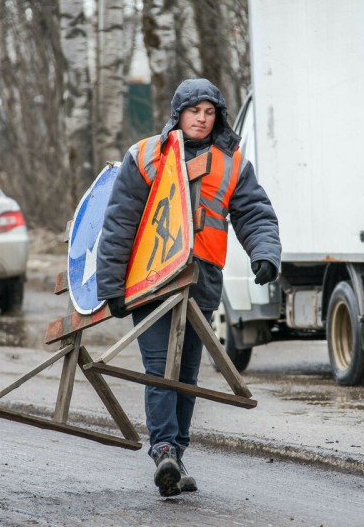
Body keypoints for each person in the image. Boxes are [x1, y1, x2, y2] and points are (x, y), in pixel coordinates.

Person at [97, 78, 281, 497]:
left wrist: (264, 253)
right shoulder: (145, 156)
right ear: (177, 113)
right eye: (194, 111)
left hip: (201, 284)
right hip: (152, 281)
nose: (201, 119)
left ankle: (175, 458)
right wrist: (112, 285)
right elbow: (119, 224)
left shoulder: (232, 164)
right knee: (161, 368)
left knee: (188, 374)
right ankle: (162, 447)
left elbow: (255, 214)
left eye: (209, 112)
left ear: (217, 117)